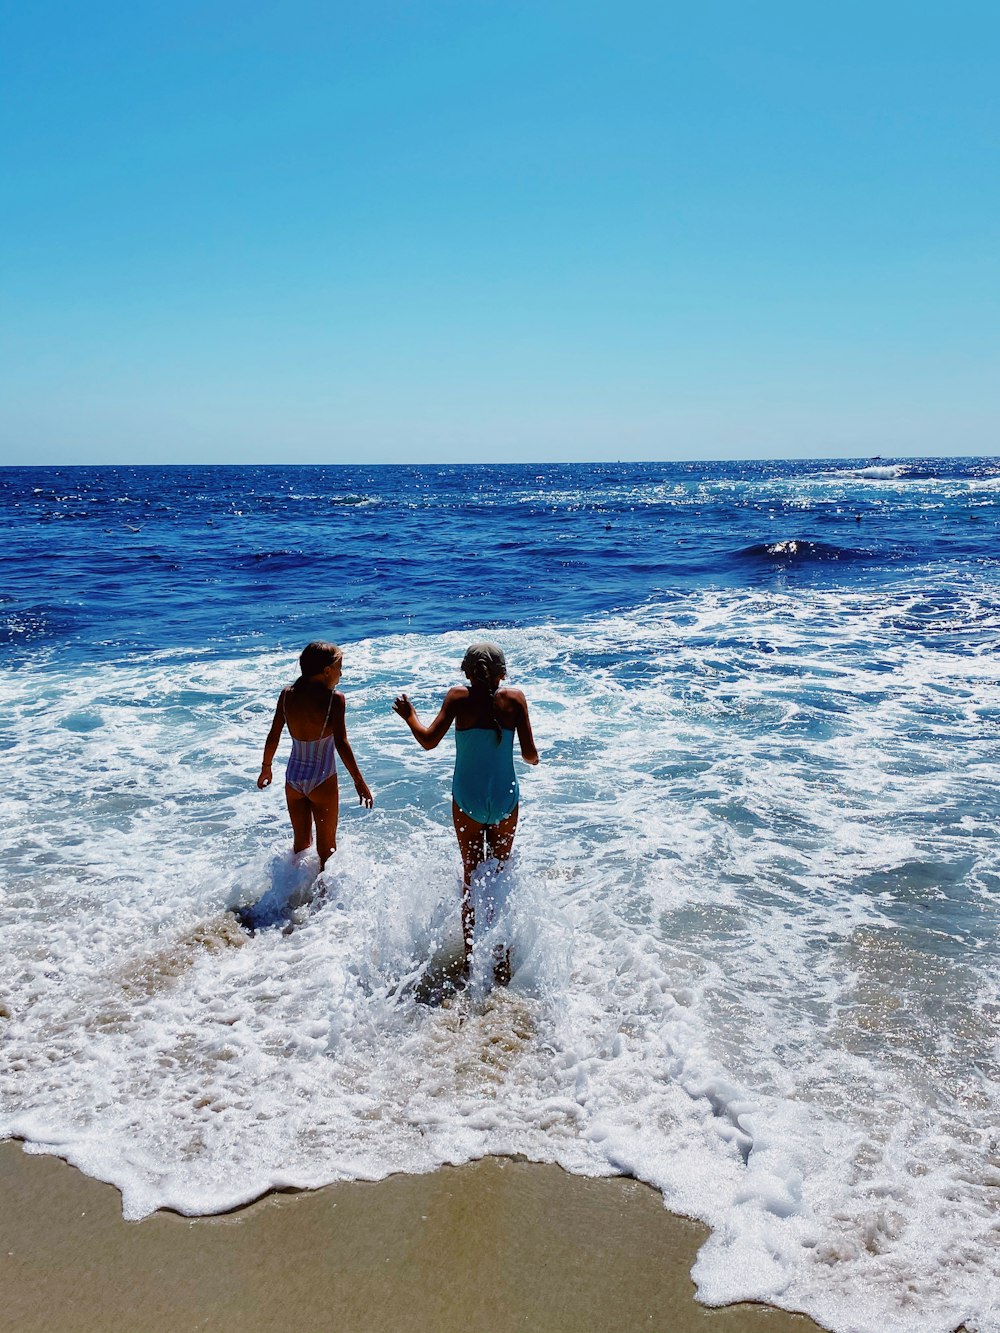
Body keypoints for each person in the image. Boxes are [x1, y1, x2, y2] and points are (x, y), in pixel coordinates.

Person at [393, 642, 539, 975]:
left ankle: (474, 960)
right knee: (500, 878)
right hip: (504, 798)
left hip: (468, 798)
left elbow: (428, 741)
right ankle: (501, 959)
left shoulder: (458, 698)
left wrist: (410, 715)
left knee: (471, 875)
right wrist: (531, 756)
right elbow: (530, 754)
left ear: (466, 671)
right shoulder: (515, 699)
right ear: (502, 673)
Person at [257, 641, 373, 868]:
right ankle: (323, 900)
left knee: (300, 845)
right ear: (326, 671)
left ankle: (293, 892)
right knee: (327, 849)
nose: (342, 673)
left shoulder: (287, 695)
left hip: (293, 779)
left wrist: (266, 767)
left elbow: (274, 735)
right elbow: (341, 743)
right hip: (322, 779)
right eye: (340, 668)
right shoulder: (334, 699)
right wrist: (359, 781)